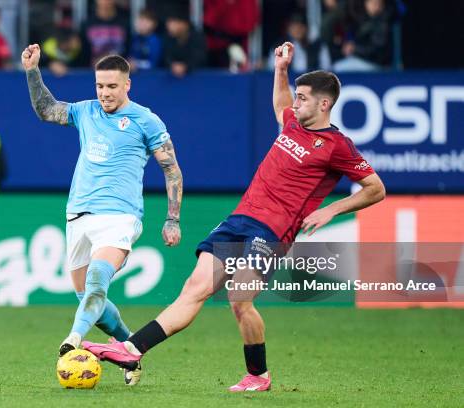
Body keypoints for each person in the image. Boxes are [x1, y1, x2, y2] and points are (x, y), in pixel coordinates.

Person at [82, 42, 386, 391]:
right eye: (297, 97)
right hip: (240, 218)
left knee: (240, 298)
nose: (296, 102)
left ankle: (258, 375)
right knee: (194, 288)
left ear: (324, 104)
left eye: (303, 98)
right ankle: (132, 348)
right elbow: (281, 103)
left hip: (273, 230)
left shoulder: (337, 146)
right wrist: (281, 70)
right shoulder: (292, 124)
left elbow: (375, 188)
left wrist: (330, 210)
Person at [21, 45, 183, 385]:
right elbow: (47, 110)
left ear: (127, 85)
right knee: (87, 297)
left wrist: (172, 218)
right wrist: (33, 71)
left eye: (112, 86)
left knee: (97, 279)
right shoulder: (86, 111)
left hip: (120, 216)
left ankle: (72, 341)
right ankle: (131, 353)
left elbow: (171, 170)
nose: (104, 93)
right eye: (99, 86)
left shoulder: (146, 119)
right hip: (78, 214)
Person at [163, 11, 206, 77]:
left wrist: (186, 66)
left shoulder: (197, 37)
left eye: (173, 24)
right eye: (168, 24)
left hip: (197, 78)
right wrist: (172, 65)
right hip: (172, 79)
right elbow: (166, 56)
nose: (169, 27)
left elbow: (199, 57)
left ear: (184, 24)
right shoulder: (168, 38)